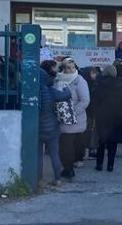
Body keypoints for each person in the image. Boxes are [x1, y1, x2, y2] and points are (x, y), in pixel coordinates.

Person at [38, 60, 72, 191]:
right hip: (52, 128)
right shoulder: (50, 91)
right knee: (54, 154)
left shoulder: (32, 93)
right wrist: (65, 86)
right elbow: (66, 95)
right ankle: (57, 179)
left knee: (38, 155)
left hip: (37, 128)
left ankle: (39, 180)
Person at [55, 58, 91, 181]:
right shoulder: (58, 79)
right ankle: (67, 168)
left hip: (75, 118)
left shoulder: (80, 81)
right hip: (61, 117)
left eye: (72, 67)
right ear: (63, 68)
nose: (70, 70)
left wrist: (72, 112)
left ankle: (69, 169)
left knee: (68, 145)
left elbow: (85, 100)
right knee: (65, 145)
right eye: (67, 68)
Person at [91, 65, 122, 172]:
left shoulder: (100, 84)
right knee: (113, 141)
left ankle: (99, 164)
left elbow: (94, 100)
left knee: (101, 141)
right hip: (117, 115)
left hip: (102, 114)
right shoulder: (121, 84)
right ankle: (110, 165)